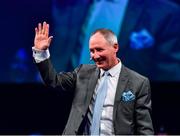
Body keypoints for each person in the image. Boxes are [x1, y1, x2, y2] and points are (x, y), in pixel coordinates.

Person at [32, 22, 154, 135]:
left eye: (99, 50)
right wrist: (41, 53)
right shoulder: (82, 73)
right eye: (92, 51)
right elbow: (54, 81)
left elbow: (144, 129)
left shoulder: (138, 83)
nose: (95, 56)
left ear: (115, 47)